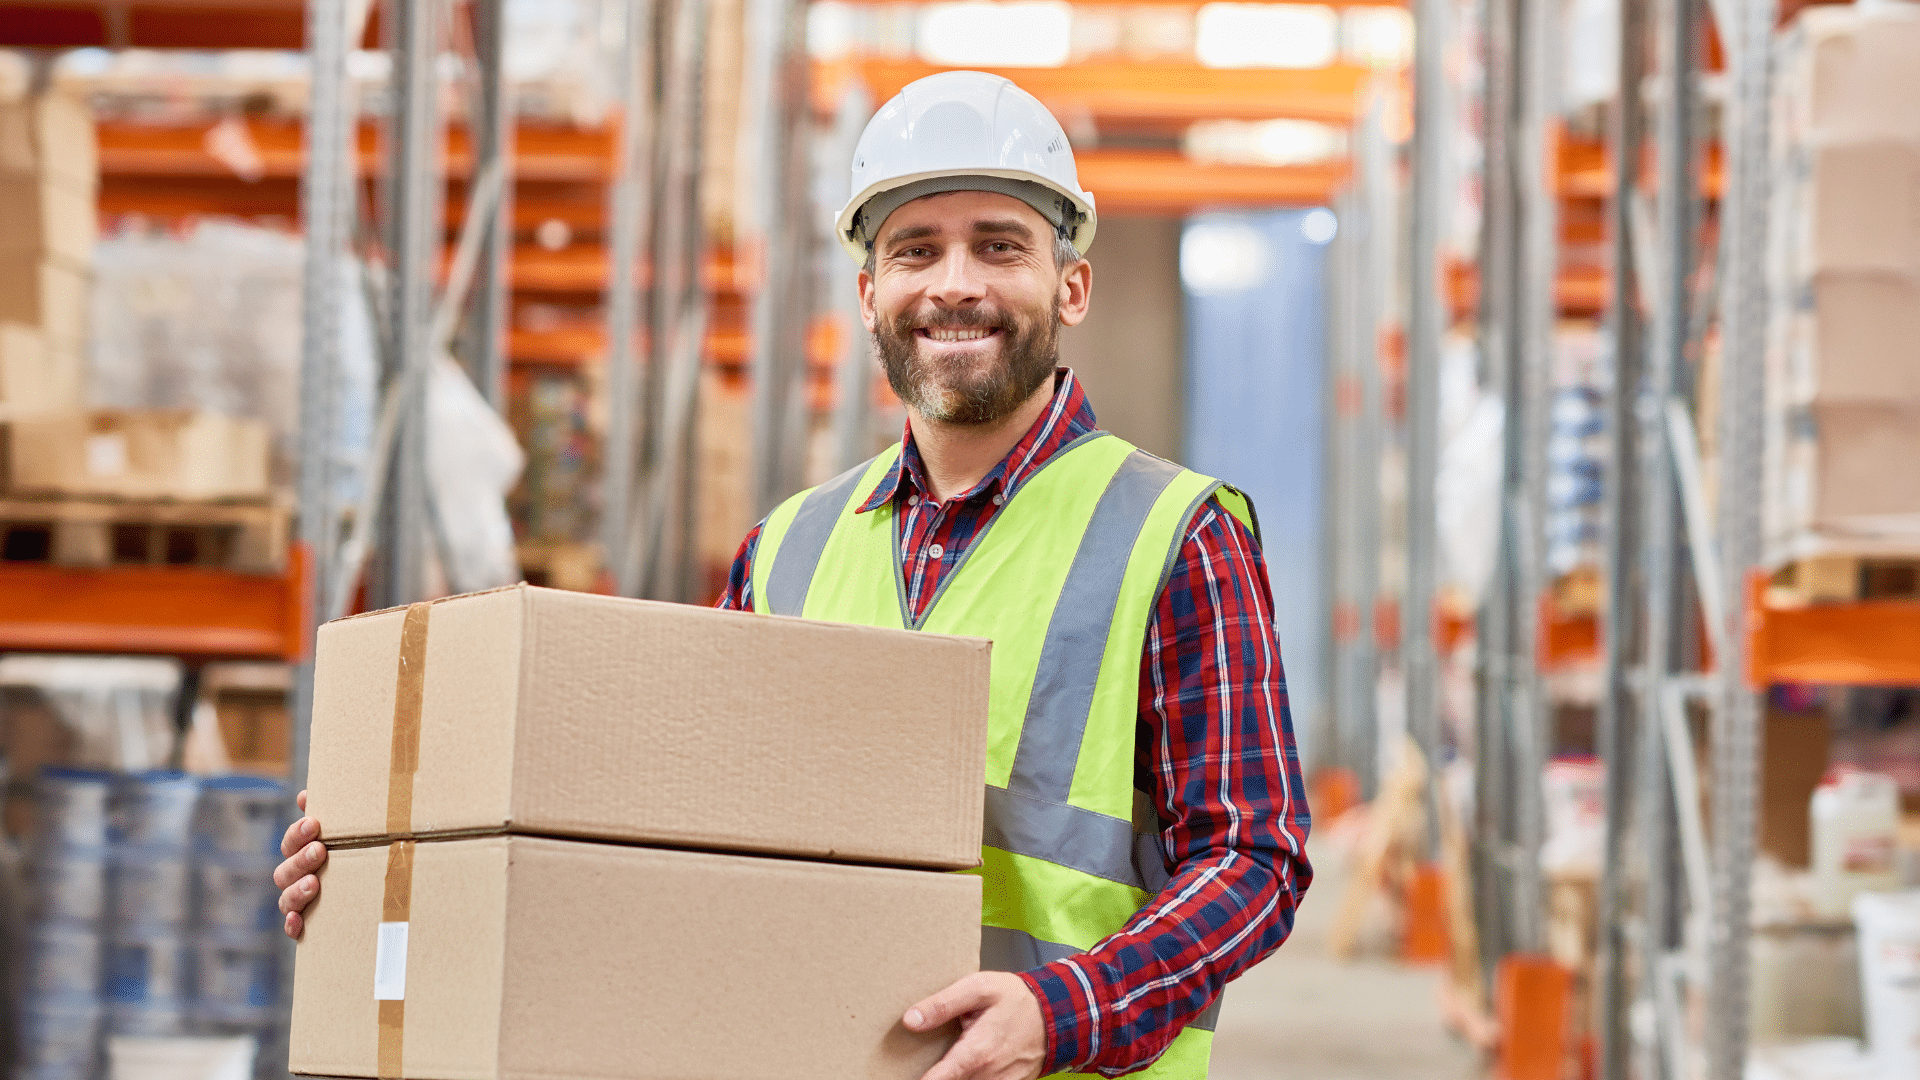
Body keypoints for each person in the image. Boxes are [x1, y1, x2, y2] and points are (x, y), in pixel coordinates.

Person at [275, 70, 1311, 1080]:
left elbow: (1255, 860)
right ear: (871, 296)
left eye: (1000, 247)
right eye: (917, 251)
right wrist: (394, 849)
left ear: (1069, 286)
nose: (955, 283)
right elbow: (668, 838)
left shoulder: (1174, 533)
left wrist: (1061, 1012)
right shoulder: (786, 551)